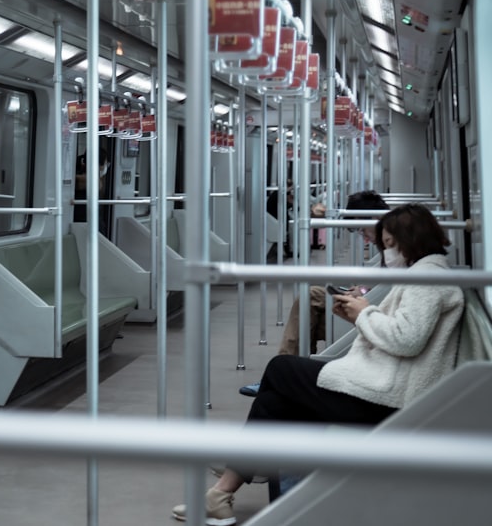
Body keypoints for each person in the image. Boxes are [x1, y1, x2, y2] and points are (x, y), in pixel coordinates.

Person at [175, 204, 464, 525]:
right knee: (274, 400)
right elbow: (407, 332)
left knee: (280, 370)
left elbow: (407, 339)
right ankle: (221, 494)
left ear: (411, 240)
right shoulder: (426, 274)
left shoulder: (429, 278)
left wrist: (363, 314)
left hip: (392, 402)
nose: (387, 251)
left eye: (391, 243)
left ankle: (240, 472)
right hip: (388, 389)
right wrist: (363, 312)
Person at [240, 190, 391, 397]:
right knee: (309, 301)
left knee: (309, 303)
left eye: (362, 229)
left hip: (377, 314)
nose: (364, 237)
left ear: (373, 218)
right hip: (375, 305)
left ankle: (282, 375)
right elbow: (384, 282)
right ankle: (286, 374)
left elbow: (388, 286)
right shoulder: (390, 240)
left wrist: (363, 292)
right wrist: (363, 289)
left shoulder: (393, 242)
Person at [73, 146, 110, 223]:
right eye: (106, 164)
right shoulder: (93, 182)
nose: (106, 167)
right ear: (99, 165)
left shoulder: (79, 174)